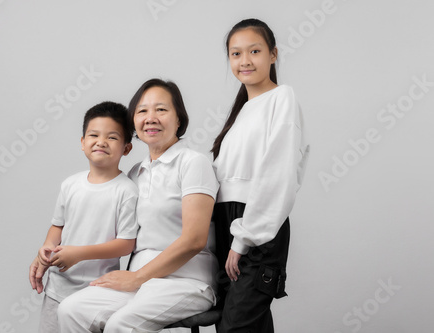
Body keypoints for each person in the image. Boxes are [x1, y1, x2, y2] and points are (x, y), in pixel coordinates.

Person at [57, 78, 219, 332]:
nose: (150, 118)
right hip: (140, 282)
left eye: (161, 110)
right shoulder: (135, 173)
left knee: (121, 325)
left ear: (179, 119)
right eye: (142, 111)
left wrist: (137, 277)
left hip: (186, 281)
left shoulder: (193, 163)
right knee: (70, 310)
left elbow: (194, 240)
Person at [211, 18, 310, 332]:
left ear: (273, 54)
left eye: (254, 51)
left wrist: (243, 239)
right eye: (236, 54)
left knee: (235, 327)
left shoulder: (282, 98)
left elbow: (277, 175)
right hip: (228, 222)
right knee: (244, 323)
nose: (245, 61)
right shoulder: (240, 114)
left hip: (256, 226)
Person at [28, 101, 139, 333]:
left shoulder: (126, 190)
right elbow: (57, 226)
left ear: (127, 148)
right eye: (94, 135)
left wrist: (79, 254)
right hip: (57, 287)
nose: (101, 142)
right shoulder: (70, 184)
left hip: (97, 291)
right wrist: (47, 247)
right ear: (82, 142)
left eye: (112, 137)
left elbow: (126, 244)